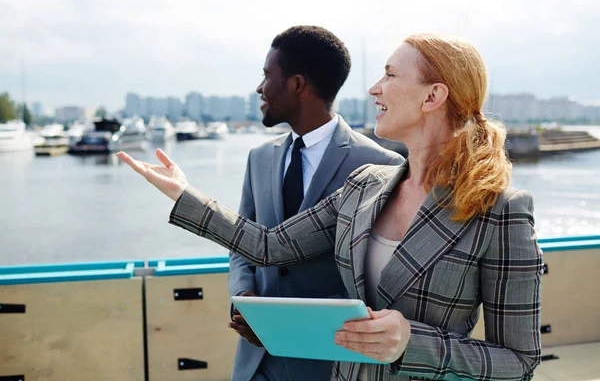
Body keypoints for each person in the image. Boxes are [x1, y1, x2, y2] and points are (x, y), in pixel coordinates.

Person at [118, 33, 543, 381]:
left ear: (433, 95)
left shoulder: (502, 210)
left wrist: (410, 342)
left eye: (391, 75)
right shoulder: (364, 185)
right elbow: (268, 246)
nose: (375, 88)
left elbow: (520, 362)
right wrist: (183, 194)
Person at [227, 25, 402, 381]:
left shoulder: (383, 165)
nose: (260, 88)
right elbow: (241, 245)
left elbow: (381, 272)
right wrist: (243, 295)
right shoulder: (258, 158)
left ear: (296, 85)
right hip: (256, 361)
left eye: (266, 76)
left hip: (332, 362)